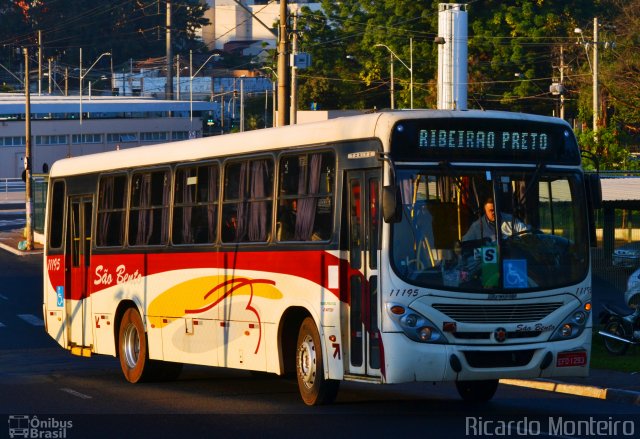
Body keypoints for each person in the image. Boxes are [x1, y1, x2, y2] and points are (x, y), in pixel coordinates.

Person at [463, 197, 528, 242]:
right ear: (485, 211)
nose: (494, 212)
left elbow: (527, 233)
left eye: (496, 209)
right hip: (487, 261)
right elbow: (465, 243)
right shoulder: (476, 226)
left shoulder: (510, 220)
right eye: (491, 210)